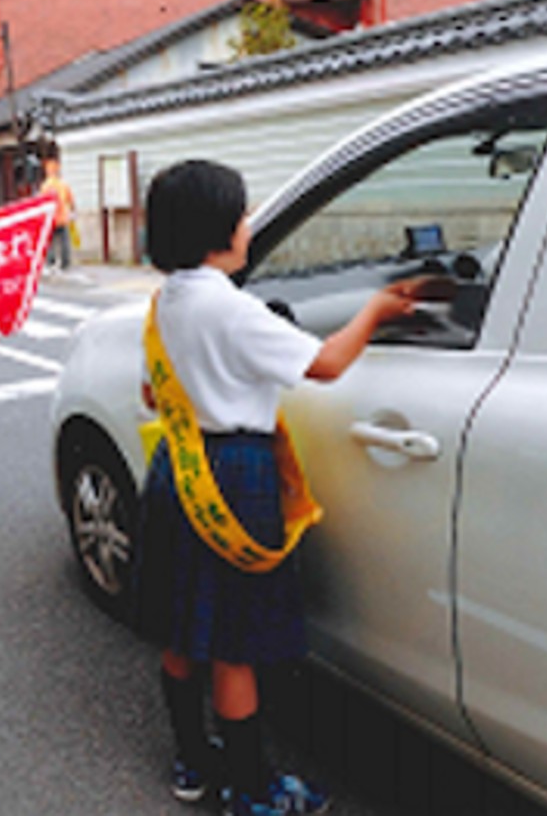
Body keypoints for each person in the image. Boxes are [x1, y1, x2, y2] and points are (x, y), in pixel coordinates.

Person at [140, 160, 416, 815]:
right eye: (241, 213)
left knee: (183, 630)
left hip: (177, 469)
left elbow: (154, 391)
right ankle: (253, 789)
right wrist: (376, 308)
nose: (248, 224)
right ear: (216, 228)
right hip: (234, 475)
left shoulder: (165, 300)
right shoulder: (233, 309)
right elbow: (324, 364)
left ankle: (192, 760)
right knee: (236, 644)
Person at [41, 158, 76, 271]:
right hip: (62, 216)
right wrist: (72, 210)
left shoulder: (45, 186)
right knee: (64, 241)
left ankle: (50, 262)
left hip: (51, 218)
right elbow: (71, 200)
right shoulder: (63, 184)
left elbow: (42, 202)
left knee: (49, 241)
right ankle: (65, 262)